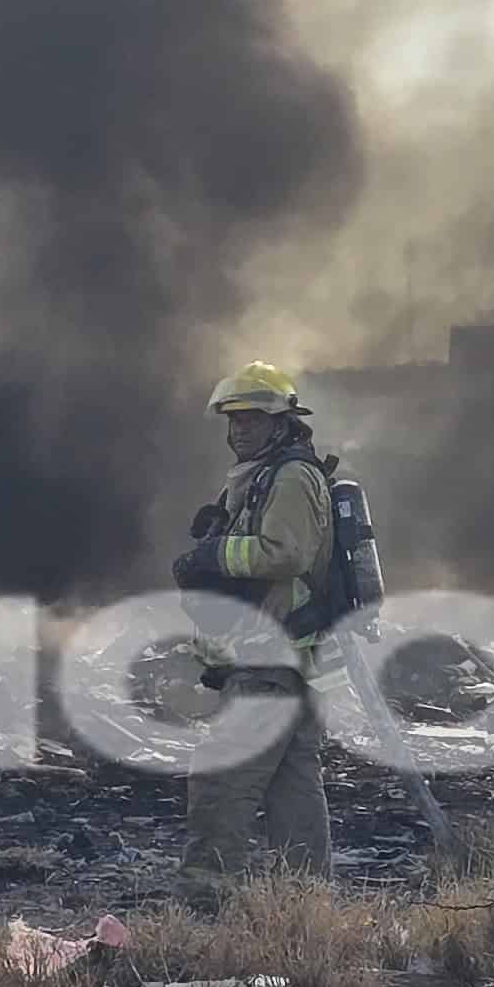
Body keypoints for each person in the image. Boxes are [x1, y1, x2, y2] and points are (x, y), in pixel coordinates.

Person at [174, 361, 340, 893]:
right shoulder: (262, 476)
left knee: (221, 782)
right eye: (233, 419)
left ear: (281, 421)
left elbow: (285, 552)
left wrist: (213, 554)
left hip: (269, 659)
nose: (239, 429)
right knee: (294, 795)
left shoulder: (290, 475)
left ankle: (205, 898)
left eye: (251, 418)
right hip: (282, 662)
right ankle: (306, 905)